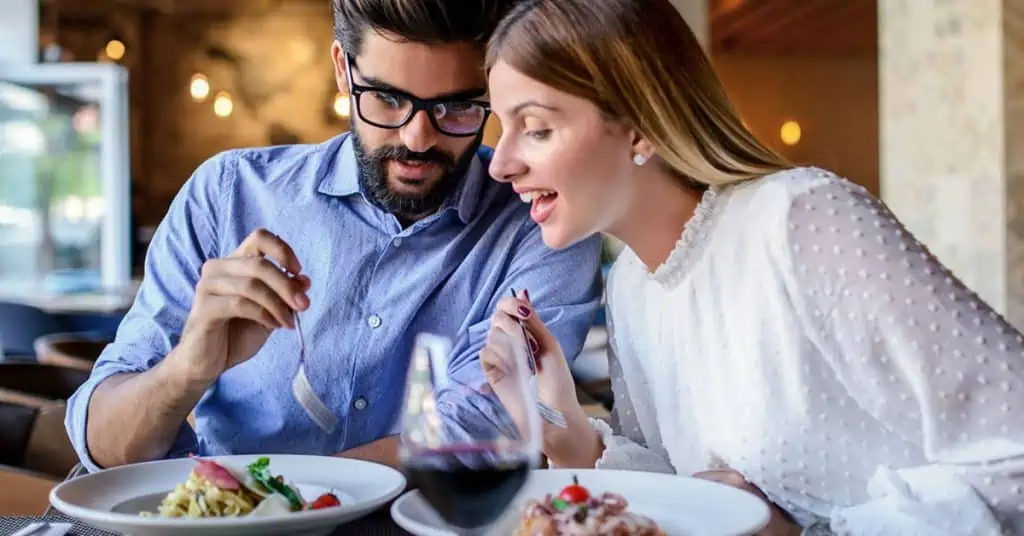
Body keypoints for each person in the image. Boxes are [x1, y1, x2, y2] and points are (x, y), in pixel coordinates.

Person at [478, 0, 1024, 534]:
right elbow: (687, 498)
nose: (501, 164)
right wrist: (567, 430)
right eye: (501, 127)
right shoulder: (631, 287)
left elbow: (1014, 452)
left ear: (640, 124)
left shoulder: (802, 219)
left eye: (536, 127)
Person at [65, 0, 603, 473]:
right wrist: (188, 367)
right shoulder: (227, 194)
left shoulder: (541, 218)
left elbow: (482, 429)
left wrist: (276, 498)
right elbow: (108, 449)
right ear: (344, 69)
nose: (418, 138)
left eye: (457, 106)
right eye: (388, 99)